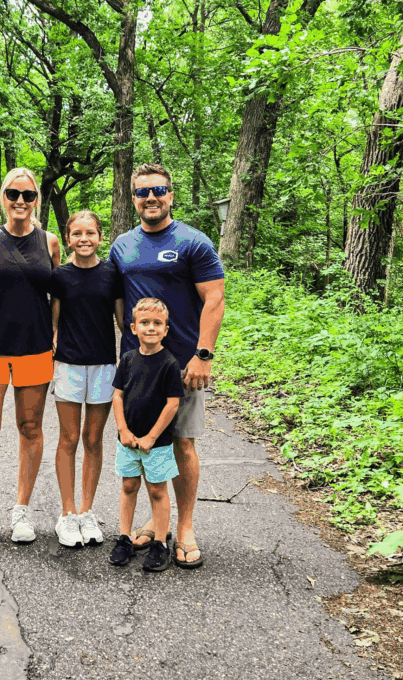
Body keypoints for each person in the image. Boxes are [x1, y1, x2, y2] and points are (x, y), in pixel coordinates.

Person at [109, 163, 225, 569]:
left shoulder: (193, 241)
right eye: (142, 192)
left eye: (158, 190)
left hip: (183, 365)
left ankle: (185, 526)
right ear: (133, 199)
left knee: (183, 443)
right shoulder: (122, 245)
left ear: (170, 195)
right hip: (138, 367)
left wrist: (203, 354)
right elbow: (118, 298)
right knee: (145, 444)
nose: (151, 197)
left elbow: (214, 298)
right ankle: (157, 522)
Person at [0, 167, 61, 549]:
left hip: (35, 349)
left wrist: (55, 333)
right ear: (3, 197)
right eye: (13, 193)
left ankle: (21, 511)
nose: (20, 200)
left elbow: (58, 294)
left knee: (31, 427)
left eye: (28, 194)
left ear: (36, 199)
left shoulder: (50, 242)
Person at [49, 210, 124, 548]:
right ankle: (67, 514)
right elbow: (54, 322)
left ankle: (86, 511)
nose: (84, 239)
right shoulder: (60, 276)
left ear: (100, 236)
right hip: (69, 365)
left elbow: (122, 321)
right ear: (68, 238)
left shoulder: (111, 273)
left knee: (93, 439)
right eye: (77, 233)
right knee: (68, 438)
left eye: (90, 233)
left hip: (104, 366)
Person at [108, 298, 183, 572]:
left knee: (157, 490)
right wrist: (123, 430)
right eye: (145, 322)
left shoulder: (169, 364)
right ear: (133, 328)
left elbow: (172, 403)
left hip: (157, 444)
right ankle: (125, 538)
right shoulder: (128, 360)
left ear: (165, 330)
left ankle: (160, 543)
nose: (151, 328)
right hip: (128, 441)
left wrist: (151, 436)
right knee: (129, 486)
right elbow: (118, 396)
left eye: (157, 323)